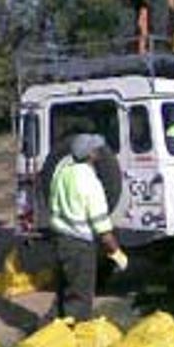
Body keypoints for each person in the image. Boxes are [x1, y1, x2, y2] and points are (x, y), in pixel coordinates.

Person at [48, 134, 128, 321]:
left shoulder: (62, 171)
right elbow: (103, 230)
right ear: (90, 154)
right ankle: (75, 339)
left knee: (63, 296)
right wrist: (117, 253)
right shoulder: (89, 181)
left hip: (60, 240)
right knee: (80, 301)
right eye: (95, 148)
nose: (99, 151)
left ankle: (47, 333)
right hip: (79, 247)